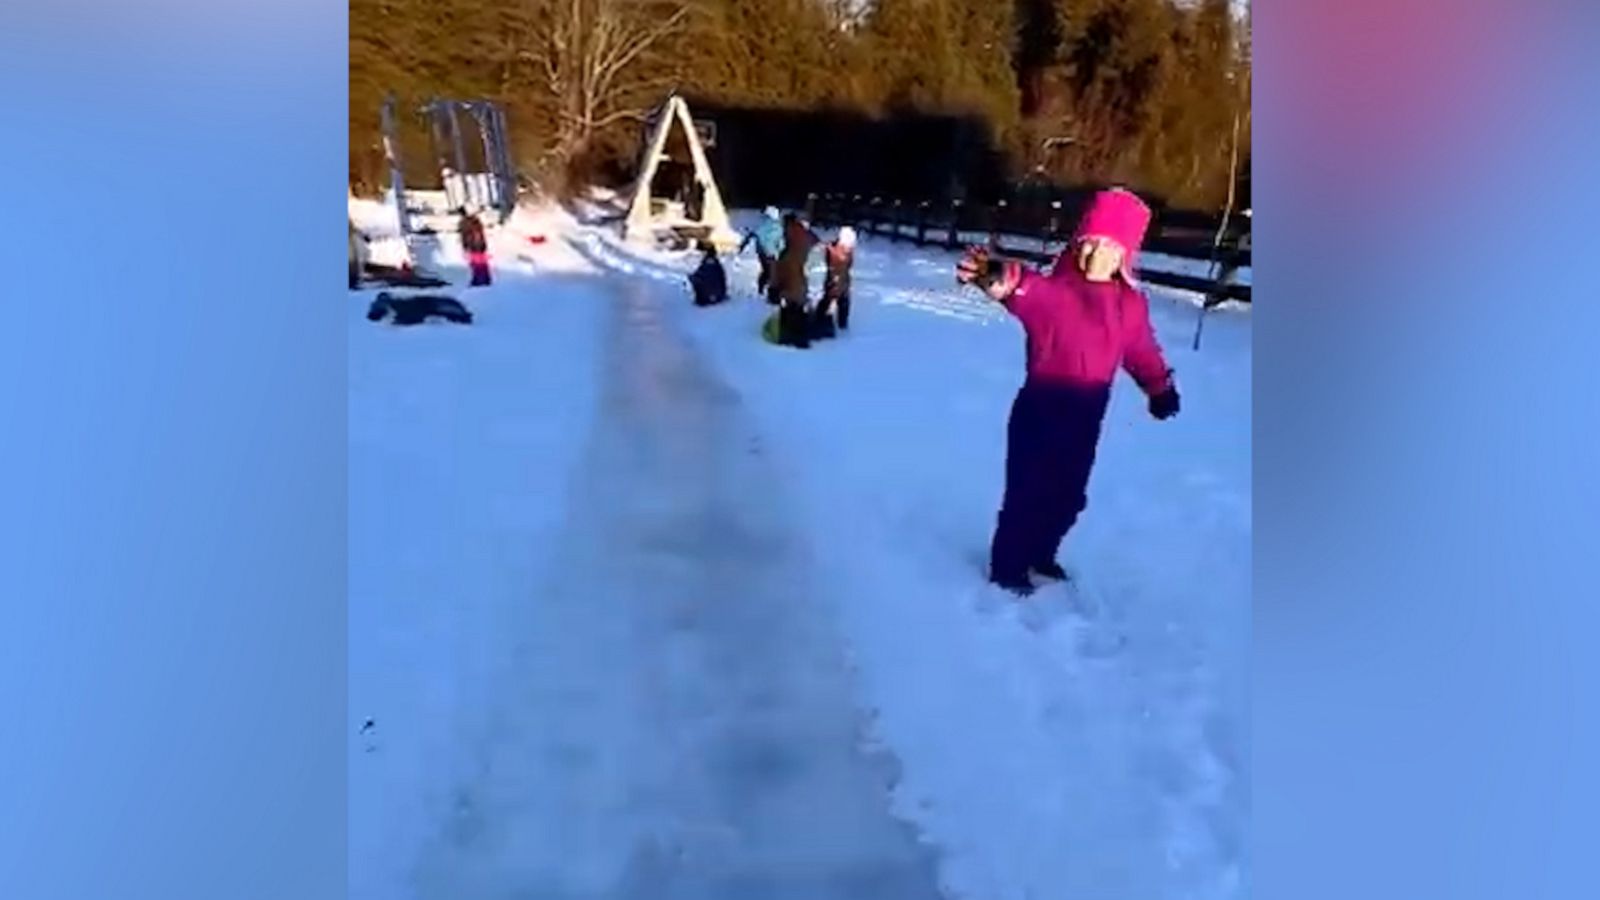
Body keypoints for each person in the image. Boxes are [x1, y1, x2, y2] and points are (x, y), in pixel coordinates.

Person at [955, 188, 1181, 597]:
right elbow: (1020, 287)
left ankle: (1041, 551)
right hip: (1039, 411)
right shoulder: (1056, 295)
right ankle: (1008, 569)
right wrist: (993, 274)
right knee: (1026, 493)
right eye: (1088, 244)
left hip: (1085, 419)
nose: (1094, 256)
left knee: (1068, 497)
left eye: (1108, 249)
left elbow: (1141, 350)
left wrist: (1159, 386)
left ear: (1124, 257)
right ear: (1076, 245)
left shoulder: (1128, 308)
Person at [772, 213, 820, 346]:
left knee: (792, 305)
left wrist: (775, 285)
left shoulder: (787, 236)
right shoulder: (804, 233)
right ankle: (802, 334)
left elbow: (780, 261)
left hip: (792, 275)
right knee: (799, 303)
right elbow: (815, 242)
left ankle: (791, 336)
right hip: (804, 275)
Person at [815, 225, 857, 334]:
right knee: (831, 300)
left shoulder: (842, 250)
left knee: (839, 301)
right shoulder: (838, 251)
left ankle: (838, 323)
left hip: (840, 281)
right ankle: (824, 321)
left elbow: (847, 265)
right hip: (836, 280)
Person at [738, 206, 784, 300]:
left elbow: (754, 235)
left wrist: (743, 246)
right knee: (771, 272)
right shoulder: (777, 226)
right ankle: (769, 291)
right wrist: (779, 250)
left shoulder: (762, 224)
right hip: (771, 253)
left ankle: (761, 289)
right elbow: (780, 241)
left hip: (762, 252)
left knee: (766, 271)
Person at [688, 241, 729, 306]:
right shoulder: (717, 265)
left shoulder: (705, 265)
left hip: (705, 299)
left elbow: (699, 276)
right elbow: (723, 279)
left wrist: (691, 277)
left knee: (696, 279)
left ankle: (703, 298)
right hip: (719, 296)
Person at [458, 207, 491, 286]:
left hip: (473, 244)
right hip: (480, 244)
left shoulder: (463, 222)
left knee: (475, 263)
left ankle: (478, 279)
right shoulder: (476, 221)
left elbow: (464, 235)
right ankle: (485, 279)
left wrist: (465, 246)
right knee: (482, 262)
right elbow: (481, 232)